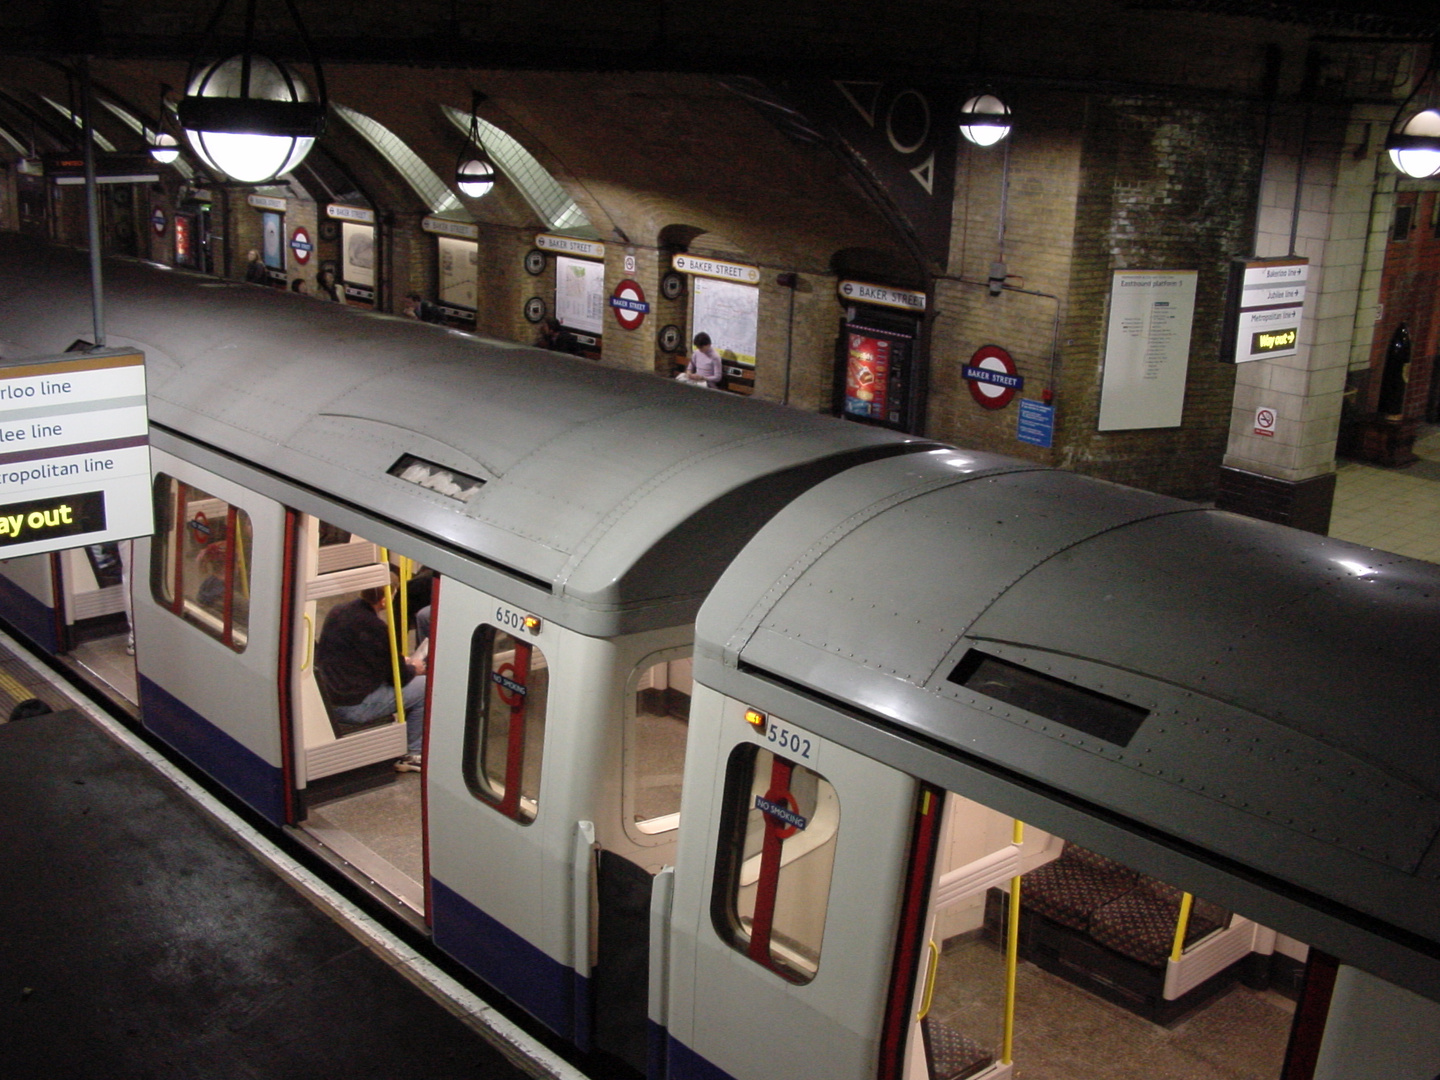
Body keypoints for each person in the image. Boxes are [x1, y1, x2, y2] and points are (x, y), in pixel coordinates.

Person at [315, 579, 426, 771]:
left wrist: (399, 660)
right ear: (384, 601)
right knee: (424, 687)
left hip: (328, 693)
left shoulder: (339, 610)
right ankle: (412, 753)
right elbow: (397, 676)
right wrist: (413, 668)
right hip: (350, 706)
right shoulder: (375, 627)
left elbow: (364, 655)